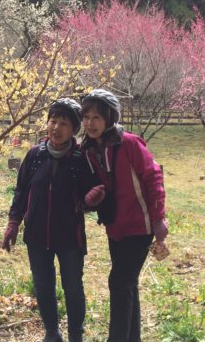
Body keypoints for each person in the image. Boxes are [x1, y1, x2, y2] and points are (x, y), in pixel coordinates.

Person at [1, 98, 103, 342]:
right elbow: (21, 190)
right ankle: (51, 333)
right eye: (53, 121)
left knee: (73, 288)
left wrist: (91, 200)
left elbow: (93, 195)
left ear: (74, 129)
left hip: (70, 237)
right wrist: (13, 222)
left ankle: (75, 336)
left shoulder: (81, 159)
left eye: (64, 124)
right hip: (36, 236)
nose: (56, 128)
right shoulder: (35, 155)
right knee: (44, 286)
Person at [79, 89, 168, 342]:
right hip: (115, 226)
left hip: (139, 225)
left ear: (110, 118)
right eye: (86, 117)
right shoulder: (90, 149)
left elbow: (153, 178)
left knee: (119, 284)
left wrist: (159, 218)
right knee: (128, 285)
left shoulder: (128, 142)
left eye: (96, 117)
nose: (90, 123)